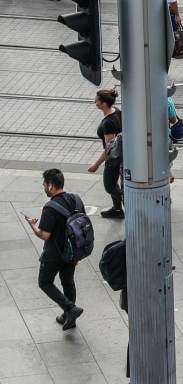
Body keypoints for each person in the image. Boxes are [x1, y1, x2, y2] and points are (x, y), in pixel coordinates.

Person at [26, 168, 85, 330]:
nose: (44, 188)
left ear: (51, 186)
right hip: (72, 251)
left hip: (54, 254)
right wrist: (77, 255)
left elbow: (44, 235)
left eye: (44, 185)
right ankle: (69, 317)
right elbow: (80, 228)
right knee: (68, 281)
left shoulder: (50, 207)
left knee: (45, 282)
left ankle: (70, 308)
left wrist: (33, 226)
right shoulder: (77, 200)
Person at [87, 89, 125, 218]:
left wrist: (96, 164)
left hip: (114, 159)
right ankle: (117, 209)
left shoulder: (108, 123)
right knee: (113, 183)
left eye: (97, 100)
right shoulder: (117, 110)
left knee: (109, 186)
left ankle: (128, 203)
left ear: (103, 104)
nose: (95, 102)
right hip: (122, 153)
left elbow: (110, 149)